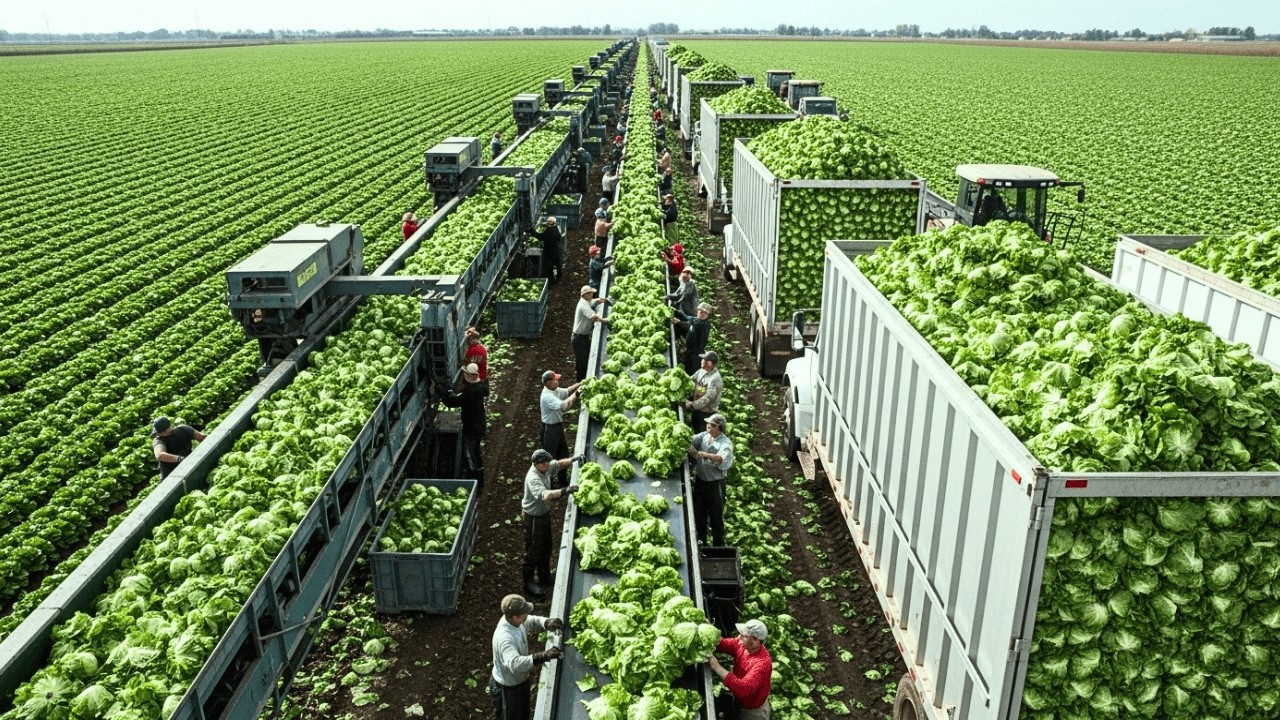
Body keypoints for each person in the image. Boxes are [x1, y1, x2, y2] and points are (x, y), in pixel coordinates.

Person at [491, 593, 565, 718]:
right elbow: (515, 664)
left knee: (523, 714)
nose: (527, 615)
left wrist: (546, 622)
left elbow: (530, 620)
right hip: (508, 687)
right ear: (515, 617)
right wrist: (543, 656)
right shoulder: (505, 638)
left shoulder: (514, 621)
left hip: (520, 681)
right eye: (524, 613)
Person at [522, 450, 580, 598]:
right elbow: (545, 495)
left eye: (548, 462)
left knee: (546, 545)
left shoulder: (546, 467)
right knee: (534, 549)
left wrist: (575, 459)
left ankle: (544, 576)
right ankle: (528, 583)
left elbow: (559, 464)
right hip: (533, 517)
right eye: (545, 464)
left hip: (543, 514)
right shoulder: (533, 478)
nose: (548, 465)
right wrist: (565, 490)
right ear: (537, 464)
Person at [708, 619, 773, 720]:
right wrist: (709, 631)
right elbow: (722, 644)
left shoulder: (762, 664)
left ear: (755, 640)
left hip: (752, 711)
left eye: (745, 636)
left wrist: (717, 667)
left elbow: (743, 689)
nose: (739, 637)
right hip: (740, 701)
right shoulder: (743, 645)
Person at [438, 363, 489, 491]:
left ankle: (477, 482)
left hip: (471, 427)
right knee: (476, 451)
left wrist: (443, 391)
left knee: (470, 453)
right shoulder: (481, 385)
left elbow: (452, 402)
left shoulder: (471, 392)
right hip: (480, 424)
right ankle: (480, 478)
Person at [688, 413, 733, 546]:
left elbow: (722, 459)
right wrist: (691, 449)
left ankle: (718, 544)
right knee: (699, 514)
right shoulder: (704, 436)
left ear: (718, 427)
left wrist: (706, 455)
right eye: (708, 424)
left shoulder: (725, 443)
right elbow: (689, 440)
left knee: (716, 517)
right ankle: (701, 542)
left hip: (715, 485)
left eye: (712, 425)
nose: (708, 426)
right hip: (701, 482)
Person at [540, 370, 581, 464]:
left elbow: (568, 390)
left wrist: (581, 383)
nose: (557, 381)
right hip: (549, 429)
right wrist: (577, 394)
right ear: (548, 383)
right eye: (555, 380)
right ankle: (549, 477)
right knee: (550, 457)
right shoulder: (547, 396)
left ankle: (562, 478)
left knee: (563, 453)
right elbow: (564, 406)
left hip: (557, 426)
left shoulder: (555, 390)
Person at [573, 285, 611, 381]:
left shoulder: (586, 302)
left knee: (583, 359)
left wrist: (602, 300)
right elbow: (594, 317)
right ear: (585, 295)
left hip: (582, 337)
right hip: (579, 338)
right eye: (590, 293)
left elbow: (593, 302)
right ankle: (580, 382)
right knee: (583, 361)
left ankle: (582, 378)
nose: (592, 295)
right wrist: (606, 320)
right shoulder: (583, 305)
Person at [686, 351, 722, 431]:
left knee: (703, 435)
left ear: (711, 364)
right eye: (702, 359)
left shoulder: (715, 379)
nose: (702, 361)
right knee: (696, 430)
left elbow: (707, 399)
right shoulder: (702, 371)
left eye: (705, 360)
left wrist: (692, 405)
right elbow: (689, 380)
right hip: (697, 410)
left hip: (706, 414)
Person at [672, 302, 711, 375]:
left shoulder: (704, 324)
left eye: (705, 313)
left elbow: (691, 320)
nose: (702, 314)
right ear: (697, 311)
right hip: (690, 352)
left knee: (693, 373)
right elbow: (689, 324)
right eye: (700, 311)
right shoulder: (698, 320)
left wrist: (681, 315)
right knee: (687, 369)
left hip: (696, 354)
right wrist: (679, 321)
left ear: (708, 315)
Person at [531, 216, 564, 285]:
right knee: (558, 265)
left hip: (549, 252)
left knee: (549, 266)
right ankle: (559, 280)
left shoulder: (549, 232)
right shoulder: (557, 229)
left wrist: (532, 232)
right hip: (557, 250)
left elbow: (540, 237)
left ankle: (551, 281)